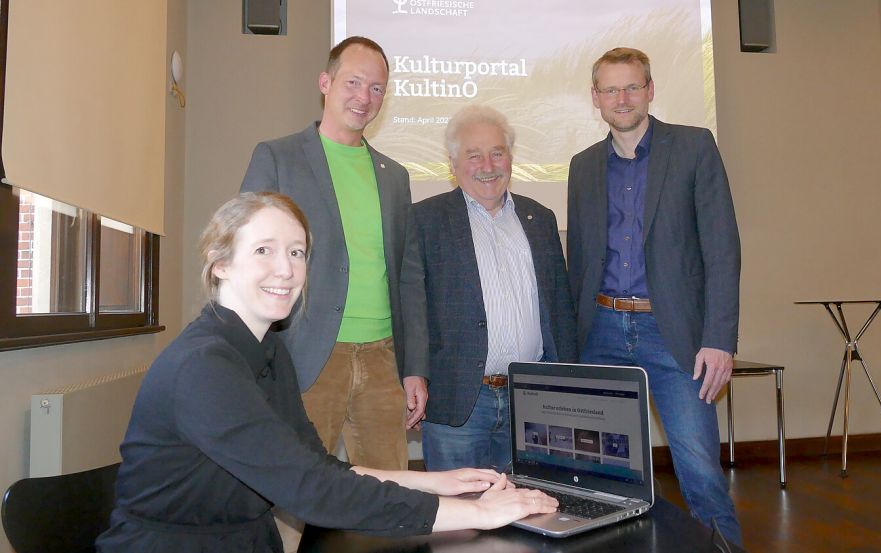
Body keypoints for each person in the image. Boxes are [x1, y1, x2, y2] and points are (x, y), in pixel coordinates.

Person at [95, 192, 557, 553]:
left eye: (297, 253)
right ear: (220, 264)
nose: (286, 269)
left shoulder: (265, 348)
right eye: (264, 250)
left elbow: (318, 467)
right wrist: (473, 513)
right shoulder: (203, 367)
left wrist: (438, 481)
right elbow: (314, 492)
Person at [566, 47, 743, 545]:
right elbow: (578, 262)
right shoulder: (582, 167)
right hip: (599, 334)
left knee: (701, 478)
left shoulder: (693, 147)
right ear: (595, 98)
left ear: (649, 90)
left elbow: (722, 251)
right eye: (610, 89)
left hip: (674, 339)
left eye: (631, 86)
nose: (621, 98)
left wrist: (719, 339)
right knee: (603, 480)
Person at [240, 36, 423, 471]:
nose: (365, 97)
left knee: (391, 502)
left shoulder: (395, 177)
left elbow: (409, 277)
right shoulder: (278, 157)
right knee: (290, 498)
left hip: (382, 360)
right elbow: (247, 255)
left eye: (376, 88)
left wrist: (414, 367)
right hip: (306, 356)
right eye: (353, 82)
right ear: (326, 82)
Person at [400, 105, 577, 471]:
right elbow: (411, 310)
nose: (488, 165)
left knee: (532, 512)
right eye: (473, 155)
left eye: (497, 153)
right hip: (459, 400)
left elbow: (559, 309)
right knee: (459, 520)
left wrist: (569, 384)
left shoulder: (540, 219)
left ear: (510, 158)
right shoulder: (424, 220)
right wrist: (413, 373)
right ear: (452, 163)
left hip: (532, 398)